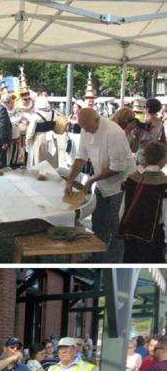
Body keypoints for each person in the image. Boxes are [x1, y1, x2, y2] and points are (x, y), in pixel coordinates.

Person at [64, 107, 137, 263]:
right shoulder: (86, 128)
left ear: (97, 120)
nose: (86, 131)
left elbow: (118, 168)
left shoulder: (113, 133)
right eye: (83, 127)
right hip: (102, 182)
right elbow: (81, 157)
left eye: (88, 127)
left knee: (117, 227)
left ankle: (114, 262)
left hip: (122, 184)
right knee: (99, 222)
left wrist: (92, 180)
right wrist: (70, 180)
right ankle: (97, 257)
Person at [119, 141, 167, 262]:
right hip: (153, 235)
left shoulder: (132, 178)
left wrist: (122, 226)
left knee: (130, 260)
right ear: (162, 160)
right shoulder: (163, 184)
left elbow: (123, 208)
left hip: (131, 232)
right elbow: (165, 215)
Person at [26, 96, 62, 169]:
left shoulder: (35, 116)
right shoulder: (54, 114)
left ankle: (40, 176)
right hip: (52, 138)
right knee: (52, 160)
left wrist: (27, 141)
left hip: (40, 138)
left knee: (39, 160)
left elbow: (30, 132)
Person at [128, 98, 166, 165]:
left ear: (147, 108)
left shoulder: (147, 122)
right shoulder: (160, 121)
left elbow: (141, 138)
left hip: (143, 152)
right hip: (153, 150)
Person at [0, 93, 15, 168]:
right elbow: (2, 127)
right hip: (0, 141)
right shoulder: (2, 110)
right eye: (11, 102)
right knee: (0, 164)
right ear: (8, 102)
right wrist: (4, 141)